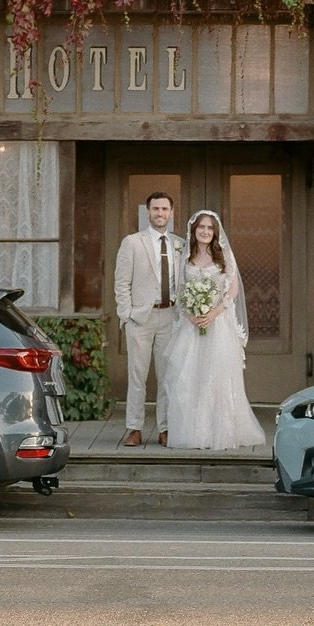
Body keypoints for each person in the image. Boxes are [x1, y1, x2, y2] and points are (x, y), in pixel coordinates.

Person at [165, 209, 267, 452]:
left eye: (210, 228)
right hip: (192, 327)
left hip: (218, 325)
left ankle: (221, 432)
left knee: (217, 377)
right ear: (194, 230)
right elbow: (179, 291)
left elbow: (232, 291)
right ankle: (193, 434)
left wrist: (212, 313)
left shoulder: (224, 258)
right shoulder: (185, 258)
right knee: (190, 378)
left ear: (215, 232)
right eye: (201, 227)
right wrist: (192, 315)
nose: (205, 231)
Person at [113, 190, 187, 447]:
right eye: (156, 209)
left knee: (167, 376)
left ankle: (165, 428)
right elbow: (121, 282)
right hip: (141, 318)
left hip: (170, 316)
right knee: (138, 376)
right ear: (148, 213)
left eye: (165, 209)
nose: (160, 213)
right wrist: (127, 314)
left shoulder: (179, 244)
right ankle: (134, 428)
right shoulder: (133, 243)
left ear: (171, 212)